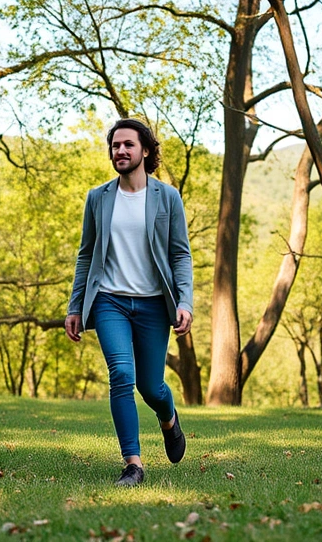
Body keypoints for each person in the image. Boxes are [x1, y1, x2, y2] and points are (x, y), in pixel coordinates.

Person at [65, 118, 194, 487]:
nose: (120, 151)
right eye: (115, 145)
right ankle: (133, 464)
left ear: (146, 151)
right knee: (121, 374)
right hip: (110, 302)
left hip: (154, 304)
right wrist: (76, 306)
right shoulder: (99, 197)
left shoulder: (166, 197)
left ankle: (169, 418)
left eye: (128, 145)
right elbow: (86, 255)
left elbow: (180, 255)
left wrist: (184, 301)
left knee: (151, 387)